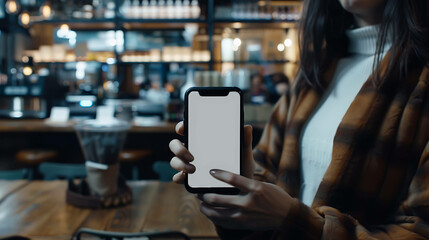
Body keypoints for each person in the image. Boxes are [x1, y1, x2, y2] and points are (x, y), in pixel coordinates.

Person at [169, 0, 429, 239]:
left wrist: (292, 219)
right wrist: (240, 189)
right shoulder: (315, 71)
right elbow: (265, 168)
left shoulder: (420, 78)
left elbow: (421, 230)